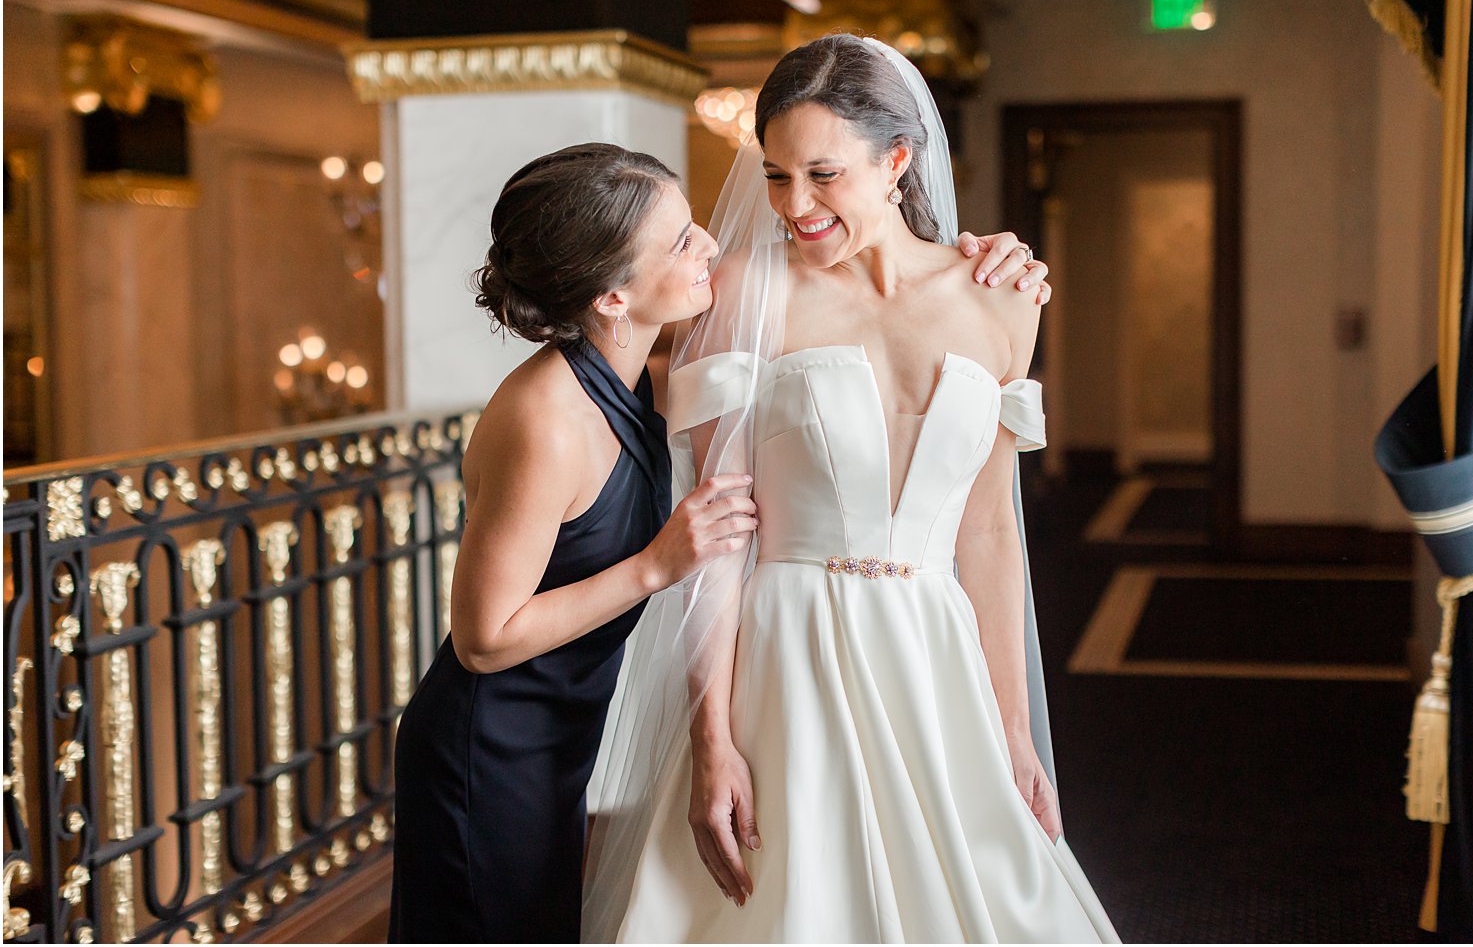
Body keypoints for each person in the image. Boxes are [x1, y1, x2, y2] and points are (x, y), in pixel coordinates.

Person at [388, 142, 1048, 943]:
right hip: (489, 748)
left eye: (693, 224)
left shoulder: (626, 373)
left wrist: (985, 257)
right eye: (679, 243)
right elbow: (485, 639)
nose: (711, 244)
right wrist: (656, 564)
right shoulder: (546, 418)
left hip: (558, 731)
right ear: (612, 295)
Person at [583, 36, 1120, 942]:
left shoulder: (1005, 297)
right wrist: (713, 736)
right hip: (785, 663)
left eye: (822, 174)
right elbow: (720, 535)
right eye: (778, 175)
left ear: (897, 160)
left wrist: (1015, 729)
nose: (793, 205)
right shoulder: (744, 290)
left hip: (932, 657)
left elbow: (987, 531)